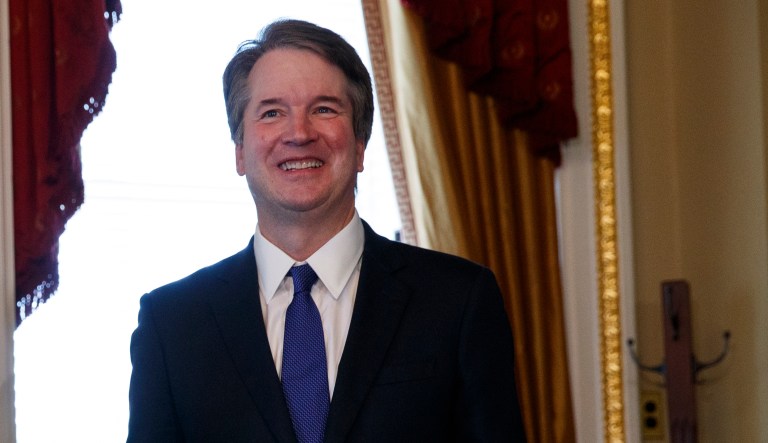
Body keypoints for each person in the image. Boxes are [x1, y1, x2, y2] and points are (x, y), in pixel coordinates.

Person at [127, 19, 526, 442]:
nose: (298, 134)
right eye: (272, 112)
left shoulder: (458, 300)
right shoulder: (172, 324)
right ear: (240, 151)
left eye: (324, 109)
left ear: (359, 144)